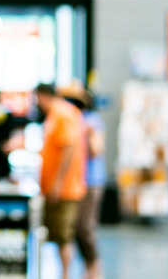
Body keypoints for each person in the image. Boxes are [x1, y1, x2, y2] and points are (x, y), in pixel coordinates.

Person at [36, 83, 87, 279]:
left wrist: (57, 182)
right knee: (59, 236)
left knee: (64, 236)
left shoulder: (62, 114)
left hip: (66, 189)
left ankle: (66, 275)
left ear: (43, 96)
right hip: (58, 187)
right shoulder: (58, 115)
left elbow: (68, 148)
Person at [63, 83, 106, 279]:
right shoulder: (71, 118)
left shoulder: (92, 120)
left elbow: (96, 151)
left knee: (85, 228)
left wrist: (88, 133)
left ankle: (94, 269)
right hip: (74, 181)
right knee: (73, 229)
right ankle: (85, 269)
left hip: (91, 181)